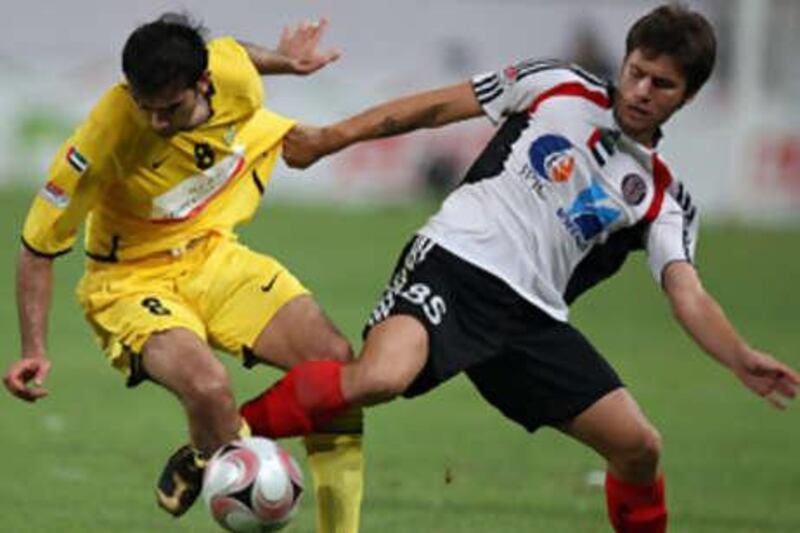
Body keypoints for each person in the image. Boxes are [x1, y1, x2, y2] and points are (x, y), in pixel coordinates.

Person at [236, 5, 800, 532]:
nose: (642, 91)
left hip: (530, 321)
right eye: (636, 72)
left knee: (639, 447)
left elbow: (688, 295)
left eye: (663, 84)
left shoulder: (660, 197)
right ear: (624, 62)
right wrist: (331, 138)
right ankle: (225, 437)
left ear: (689, 96)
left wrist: (738, 356)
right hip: (455, 264)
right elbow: (432, 108)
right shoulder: (556, 84)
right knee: (381, 378)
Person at [2, 14, 364, 533]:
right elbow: (37, 245)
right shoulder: (104, 136)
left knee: (333, 363)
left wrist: (287, 62)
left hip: (210, 252)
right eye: (144, 106)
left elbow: (232, 50)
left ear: (202, 83)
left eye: (168, 108)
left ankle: (314, 514)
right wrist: (34, 348)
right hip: (129, 281)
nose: (155, 122)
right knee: (209, 386)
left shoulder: (230, 73)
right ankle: (222, 454)